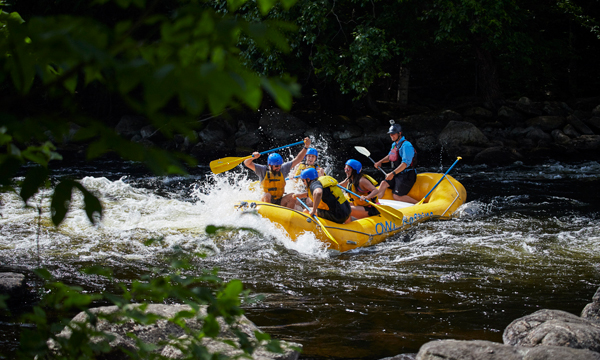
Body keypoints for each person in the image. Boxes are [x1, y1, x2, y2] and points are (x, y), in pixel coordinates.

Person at [244, 137, 311, 208]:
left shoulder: (283, 169)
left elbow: (298, 159)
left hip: (279, 200)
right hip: (266, 201)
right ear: (270, 165)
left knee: (292, 196)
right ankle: (268, 213)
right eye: (276, 166)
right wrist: (252, 157)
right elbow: (247, 163)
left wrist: (306, 147)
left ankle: (287, 216)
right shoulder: (262, 170)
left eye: (279, 165)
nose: (278, 167)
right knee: (267, 195)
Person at [374, 121, 418, 203]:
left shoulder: (406, 145)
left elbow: (405, 164)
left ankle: (419, 204)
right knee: (383, 183)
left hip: (407, 175)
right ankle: (375, 204)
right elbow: (390, 156)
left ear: (399, 133)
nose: (391, 135)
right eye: (390, 134)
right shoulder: (394, 144)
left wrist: (392, 173)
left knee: (397, 196)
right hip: (398, 173)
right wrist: (380, 161)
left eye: (393, 134)